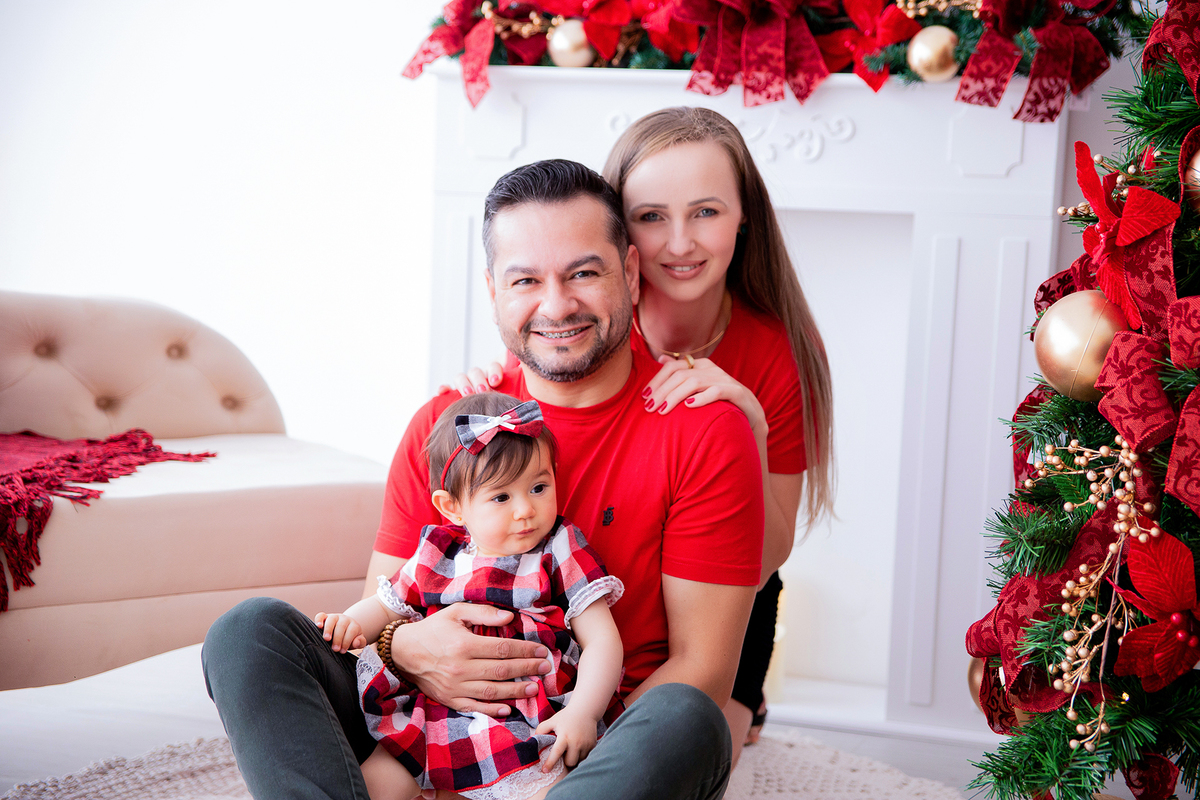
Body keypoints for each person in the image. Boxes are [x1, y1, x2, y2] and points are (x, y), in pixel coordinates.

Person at [202, 158, 764, 800]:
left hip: (583, 750)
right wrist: (412, 651)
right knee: (248, 633)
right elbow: (380, 618)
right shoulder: (446, 429)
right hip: (420, 729)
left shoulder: (702, 430)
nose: (557, 304)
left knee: (690, 718)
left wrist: (572, 734)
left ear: (630, 275)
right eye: (526, 279)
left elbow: (705, 670)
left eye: (584, 273)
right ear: (494, 288)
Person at [448, 107, 835, 765]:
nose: (679, 242)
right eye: (652, 217)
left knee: (698, 736)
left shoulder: (771, 353)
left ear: (746, 217)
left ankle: (742, 706)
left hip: (722, 606)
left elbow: (762, 560)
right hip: (585, 599)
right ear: (622, 239)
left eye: (706, 212)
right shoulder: (584, 322)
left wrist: (753, 427)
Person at [313, 393, 624, 800]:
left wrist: (584, 712)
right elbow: (385, 605)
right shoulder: (438, 552)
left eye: (538, 487)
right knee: (377, 784)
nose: (525, 510)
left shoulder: (559, 547)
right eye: (501, 497)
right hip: (435, 712)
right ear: (453, 507)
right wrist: (351, 622)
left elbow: (602, 639)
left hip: (531, 716)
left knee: (544, 786)